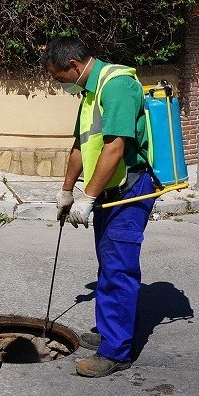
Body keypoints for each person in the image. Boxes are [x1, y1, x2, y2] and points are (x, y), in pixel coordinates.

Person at [42, 37, 156, 378]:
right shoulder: (90, 91)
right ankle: (110, 330)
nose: (61, 86)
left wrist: (87, 197)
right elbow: (80, 144)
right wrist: (66, 191)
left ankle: (116, 351)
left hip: (129, 189)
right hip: (107, 189)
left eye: (60, 79)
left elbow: (115, 148)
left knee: (119, 268)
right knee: (107, 262)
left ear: (74, 66)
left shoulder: (118, 85)